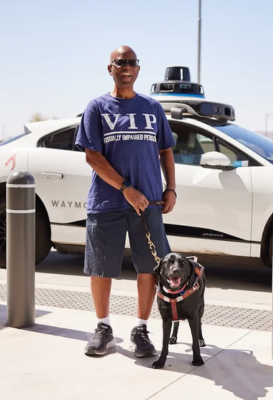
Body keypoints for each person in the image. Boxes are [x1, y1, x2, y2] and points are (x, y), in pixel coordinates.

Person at [74, 45, 177, 357]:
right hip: (108, 202)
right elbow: (93, 157)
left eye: (132, 62)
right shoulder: (97, 108)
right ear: (110, 69)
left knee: (149, 269)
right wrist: (125, 189)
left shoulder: (152, 108)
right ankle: (103, 328)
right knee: (101, 269)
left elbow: (166, 151)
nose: (126, 67)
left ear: (138, 69)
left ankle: (141, 329)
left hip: (149, 205)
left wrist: (170, 188)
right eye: (120, 62)